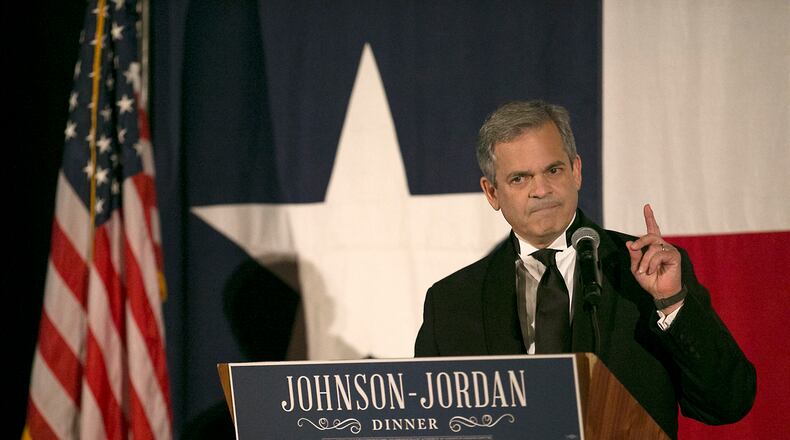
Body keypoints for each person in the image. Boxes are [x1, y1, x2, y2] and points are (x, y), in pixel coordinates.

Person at [414, 100, 755, 438]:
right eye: (520, 178)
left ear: (576, 171)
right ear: (492, 192)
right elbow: (430, 428)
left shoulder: (648, 272)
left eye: (553, 170)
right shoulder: (452, 303)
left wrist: (671, 302)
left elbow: (727, 403)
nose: (541, 190)